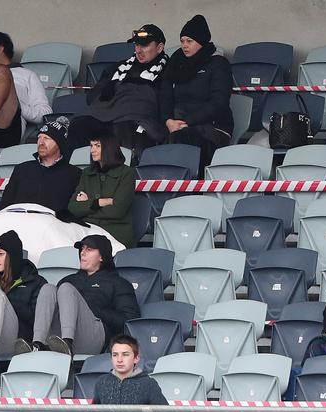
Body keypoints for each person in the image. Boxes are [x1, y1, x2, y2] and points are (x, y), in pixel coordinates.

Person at [67, 24, 169, 160]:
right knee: (78, 124)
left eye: (144, 46)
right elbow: (92, 96)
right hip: (105, 115)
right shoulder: (119, 67)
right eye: (137, 45)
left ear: (160, 47)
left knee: (122, 127)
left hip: (136, 119)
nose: (139, 50)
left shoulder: (169, 70)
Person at [159, 15, 233, 175]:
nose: (184, 45)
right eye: (182, 41)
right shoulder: (175, 63)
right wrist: (168, 121)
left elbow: (219, 102)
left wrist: (187, 122)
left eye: (189, 41)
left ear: (201, 41)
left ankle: (186, 188)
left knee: (181, 140)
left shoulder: (218, 64)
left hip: (213, 127)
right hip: (177, 125)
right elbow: (164, 96)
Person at [44, 235, 140, 356]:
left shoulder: (118, 283)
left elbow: (129, 320)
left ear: (101, 257)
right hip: (58, 335)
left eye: (89, 249)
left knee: (66, 289)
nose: (82, 253)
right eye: (82, 249)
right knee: (47, 289)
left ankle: (67, 343)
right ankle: (38, 343)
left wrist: (94, 310)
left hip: (94, 338)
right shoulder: (68, 280)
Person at [68, 127, 136, 248]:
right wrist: (99, 202)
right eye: (91, 146)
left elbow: (117, 211)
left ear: (109, 148)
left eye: (97, 146)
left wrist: (87, 208)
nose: (92, 150)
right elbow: (73, 208)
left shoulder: (127, 173)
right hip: (88, 232)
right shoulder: (87, 173)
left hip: (116, 235)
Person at [0, 116, 81, 214]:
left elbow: (75, 212)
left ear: (59, 144)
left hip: (53, 226)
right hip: (19, 223)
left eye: (47, 138)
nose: (41, 142)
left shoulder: (75, 174)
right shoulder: (22, 169)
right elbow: (3, 206)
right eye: (39, 137)